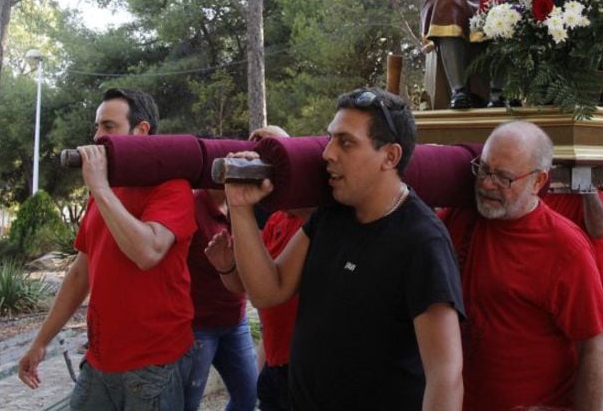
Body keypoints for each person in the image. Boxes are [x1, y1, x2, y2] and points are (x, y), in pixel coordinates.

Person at [223, 87, 464, 410]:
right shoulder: (331, 213)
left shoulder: (422, 240)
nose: (328, 154)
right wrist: (239, 208)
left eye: (346, 142)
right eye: (330, 139)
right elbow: (269, 290)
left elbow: (445, 374)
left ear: (390, 156)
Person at [19, 88, 196, 410]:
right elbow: (79, 274)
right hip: (100, 359)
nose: (97, 137)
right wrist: (41, 342)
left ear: (141, 131)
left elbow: (148, 252)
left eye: (108, 126)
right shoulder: (105, 191)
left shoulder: (172, 186)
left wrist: (99, 188)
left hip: (153, 363)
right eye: (97, 127)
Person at [443, 121, 603, 411]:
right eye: (483, 169)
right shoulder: (457, 218)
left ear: (538, 181)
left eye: (503, 178)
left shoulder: (566, 249)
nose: (486, 184)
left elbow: (593, 348)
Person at [206, 124, 308, 411]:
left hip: (306, 368)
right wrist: (227, 268)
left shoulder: (312, 220)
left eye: (270, 150)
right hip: (276, 363)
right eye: (254, 149)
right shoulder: (276, 220)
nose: (258, 159)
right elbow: (255, 286)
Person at [184, 186, 257, 411]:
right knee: (187, 403)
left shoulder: (243, 205)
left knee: (249, 395)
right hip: (199, 326)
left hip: (236, 320)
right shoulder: (193, 207)